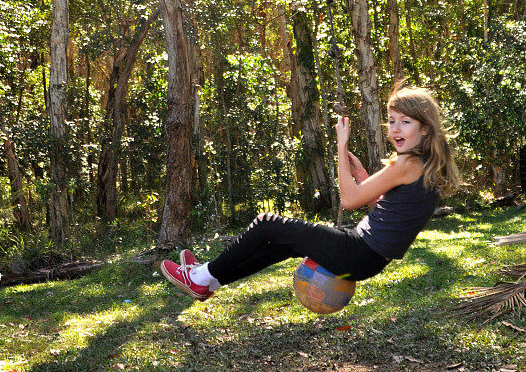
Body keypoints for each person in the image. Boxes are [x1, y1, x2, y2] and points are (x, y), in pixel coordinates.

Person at [160, 84, 460, 301]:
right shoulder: (427, 165)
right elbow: (383, 214)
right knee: (282, 244)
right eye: (392, 121)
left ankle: (201, 277)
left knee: (268, 223)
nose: (395, 129)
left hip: (359, 251)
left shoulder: (406, 163)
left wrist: (341, 148)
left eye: (405, 122)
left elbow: (348, 201)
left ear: (425, 129)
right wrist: (361, 176)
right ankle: (210, 281)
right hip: (368, 258)